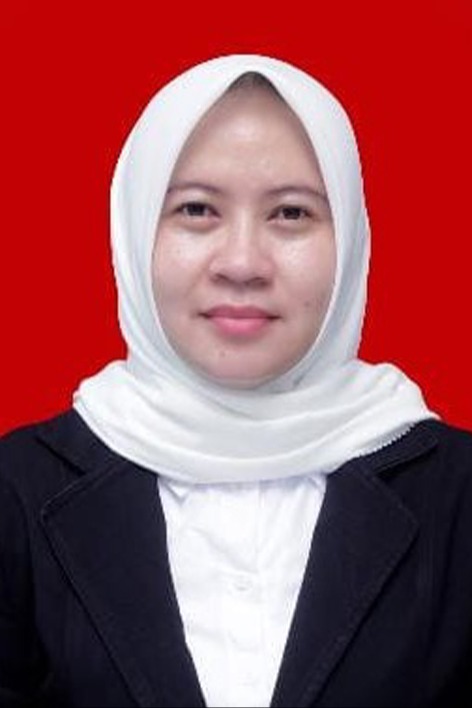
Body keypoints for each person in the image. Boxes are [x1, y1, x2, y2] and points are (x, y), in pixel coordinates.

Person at [0, 54, 471, 708]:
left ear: (351, 239)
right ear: (134, 230)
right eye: (196, 209)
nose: (243, 262)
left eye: (291, 214)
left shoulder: (457, 492)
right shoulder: (17, 490)